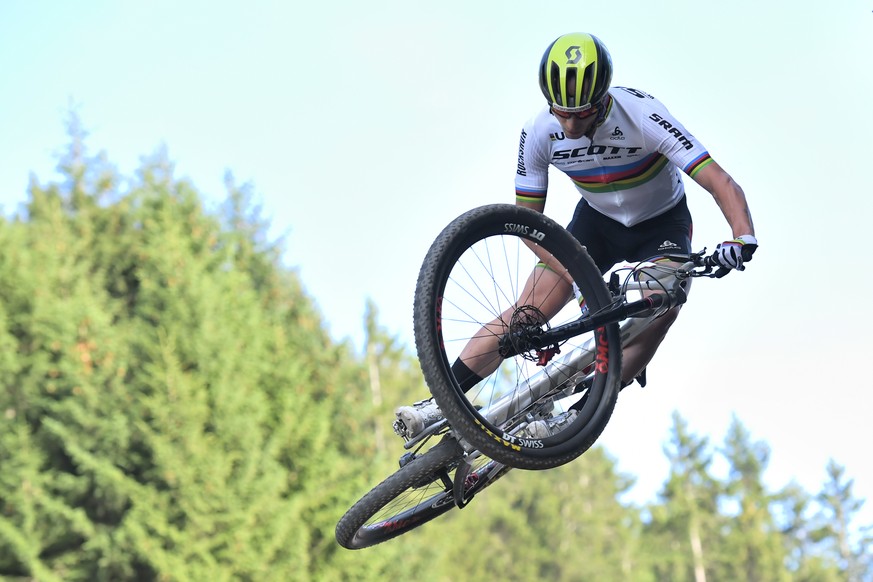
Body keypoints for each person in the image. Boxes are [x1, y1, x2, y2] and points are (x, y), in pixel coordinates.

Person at [396, 32, 757, 439]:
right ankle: (440, 403)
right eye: (560, 112)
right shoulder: (538, 131)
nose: (569, 124)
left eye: (581, 114)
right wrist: (577, 276)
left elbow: (720, 181)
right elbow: (526, 225)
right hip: (595, 224)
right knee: (526, 314)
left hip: (662, 225)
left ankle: (582, 411)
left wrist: (741, 238)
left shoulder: (641, 115)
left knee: (660, 306)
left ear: (603, 99)